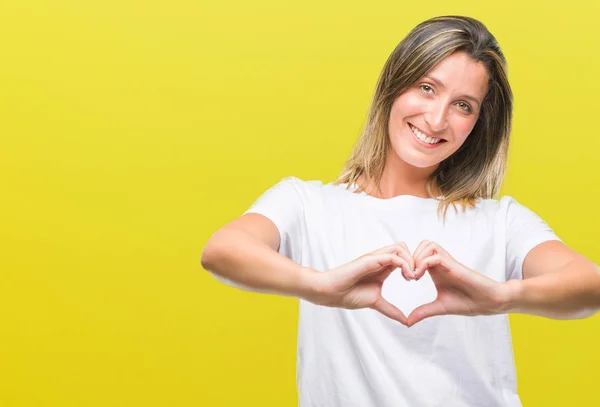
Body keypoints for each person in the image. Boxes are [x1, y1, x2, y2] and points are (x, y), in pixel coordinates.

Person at [200, 15, 600, 407]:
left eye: (463, 105)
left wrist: (499, 297)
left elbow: (589, 285)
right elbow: (223, 251)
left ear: (478, 123)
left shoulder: (500, 221)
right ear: (393, 86)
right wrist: (320, 286)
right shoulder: (307, 204)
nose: (437, 118)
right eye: (426, 88)